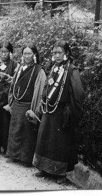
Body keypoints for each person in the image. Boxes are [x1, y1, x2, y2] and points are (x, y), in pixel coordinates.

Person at [33, 40, 84, 183]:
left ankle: (60, 174)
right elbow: (47, 86)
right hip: (49, 111)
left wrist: (70, 110)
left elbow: (78, 93)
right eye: (54, 53)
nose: (56, 55)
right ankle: (44, 168)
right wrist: (44, 99)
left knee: (60, 144)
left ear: (66, 53)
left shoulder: (72, 70)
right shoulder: (54, 67)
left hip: (62, 114)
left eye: (59, 52)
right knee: (45, 140)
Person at [5, 43, 46, 166]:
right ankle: (13, 155)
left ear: (34, 55)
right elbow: (14, 84)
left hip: (29, 105)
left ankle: (25, 158)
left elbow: (40, 90)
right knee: (15, 130)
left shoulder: (39, 70)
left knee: (27, 133)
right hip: (17, 104)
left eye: (29, 53)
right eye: (25, 53)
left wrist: (35, 109)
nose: (27, 56)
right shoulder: (20, 68)